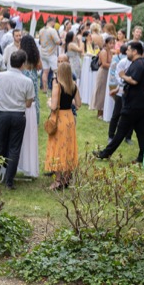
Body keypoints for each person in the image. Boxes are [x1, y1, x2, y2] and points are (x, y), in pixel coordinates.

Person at [93, 42, 144, 164]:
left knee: (121, 131)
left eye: (129, 50)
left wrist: (123, 76)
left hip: (133, 105)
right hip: (139, 104)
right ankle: (143, 155)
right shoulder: (138, 63)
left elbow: (134, 81)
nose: (126, 52)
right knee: (141, 133)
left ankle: (105, 153)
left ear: (135, 51)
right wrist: (117, 89)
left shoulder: (139, 64)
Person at [0, 50, 35, 190]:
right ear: (23, 64)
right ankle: (9, 181)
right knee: (14, 148)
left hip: (3, 113)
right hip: (18, 115)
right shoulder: (27, 81)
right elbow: (28, 103)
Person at [45, 62, 81, 190]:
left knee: (58, 147)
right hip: (69, 118)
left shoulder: (57, 86)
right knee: (68, 147)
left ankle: (58, 180)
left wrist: (49, 102)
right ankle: (66, 178)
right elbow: (78, 104)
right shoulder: (73, 86)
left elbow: (54, 106)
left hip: (59, 118)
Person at [107, 44, 132, 146]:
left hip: (131, 93)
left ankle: (128, 136)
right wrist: (124, 82)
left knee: (130, 116)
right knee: (116, 114)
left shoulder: (136, 63)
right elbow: (118, 75)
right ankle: (111, 135)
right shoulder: (123, 62)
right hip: (121, 91)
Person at [92, 36, 113, 119]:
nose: (112, 45)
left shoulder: (110, 52)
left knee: (105, 92)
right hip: (103, 72)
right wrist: (114, 66)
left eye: (113, 43)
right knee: (101, 91)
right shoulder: (104, 52)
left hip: (108, 72)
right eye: (110, 43)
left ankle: (104, 111)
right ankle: (99, 112)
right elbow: (104, 64)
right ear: (106, 43)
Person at [39, 18, 61, 92]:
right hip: (51, 53)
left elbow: (39, 42)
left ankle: (44, 88)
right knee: (56, 71)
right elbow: (57, 41)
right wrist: (61, 41)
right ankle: (56, 87)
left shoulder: (41, 30)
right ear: (52, 22)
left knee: (45, 72)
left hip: (43, 53)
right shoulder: (52, 30)